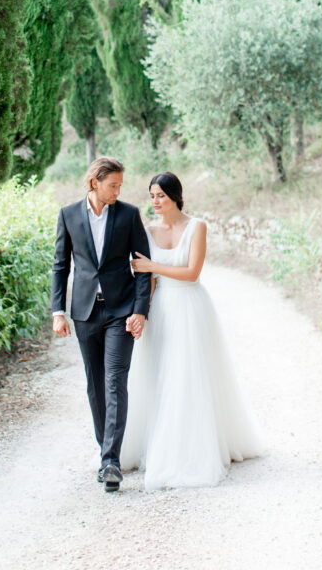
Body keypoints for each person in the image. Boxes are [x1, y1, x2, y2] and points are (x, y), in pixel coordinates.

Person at [120, 172, 261, 490]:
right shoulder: (147, 230)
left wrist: (152, 266)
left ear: (175, 196)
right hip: (161, 309)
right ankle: (154, 443)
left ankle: (192, 448)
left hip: (190, 307)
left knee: (187, 374)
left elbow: (192, 272)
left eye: (161, 196)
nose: (155, 202)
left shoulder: (196, 227)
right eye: (152, 195)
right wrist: (139, 313)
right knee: (158, 373)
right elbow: (148, 281)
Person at [51, 156, 151, 493]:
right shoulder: (68, 215)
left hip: (121, 311)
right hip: (84, 313)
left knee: (114, 381)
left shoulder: (128, 214)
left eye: (120, 185)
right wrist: (57, 311)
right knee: (95, 385)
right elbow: (60, 266)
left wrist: (141, 310)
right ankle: (105, 450)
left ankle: (111, 461)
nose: (118, 191)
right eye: (113, 185)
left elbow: (142, 267)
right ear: (95, 182)